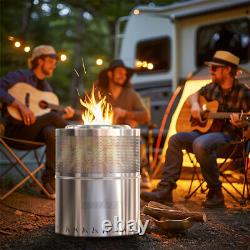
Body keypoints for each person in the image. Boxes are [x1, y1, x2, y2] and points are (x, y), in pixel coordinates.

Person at [141, 50, 250, 208]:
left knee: (200, 143)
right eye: (210, 67)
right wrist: (196, 105)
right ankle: (165, 191)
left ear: (227, 70)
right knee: (175, 139)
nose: (210, 71)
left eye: (214, 68)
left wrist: (243, 124)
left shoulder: (244, 92)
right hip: (205, 135)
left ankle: (215, 193)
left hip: (230, 140)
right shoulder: (212, 88)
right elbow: (193, 95)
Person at [0, 45, 75, 199]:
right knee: (52, 119)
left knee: (52, 130)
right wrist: (18, 104)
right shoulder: (20, 76)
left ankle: (48, 183)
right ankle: (79, 138)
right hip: (15, 132)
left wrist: (64, 116)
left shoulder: (47, 89)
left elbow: (50, 116)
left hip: (35, 137)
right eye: (51, 60)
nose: (54, 64)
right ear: (40, 61)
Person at [95, 59, 150, 127]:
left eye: (124, 74)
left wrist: (125, 113)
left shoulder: (131, 94)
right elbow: (83, 113)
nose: (123, 76)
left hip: (125, 135)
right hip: (103, 134)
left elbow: (146, 116)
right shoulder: (98, 93)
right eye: (120, 73)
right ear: (110, 74)